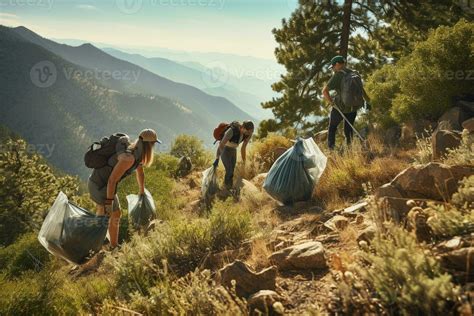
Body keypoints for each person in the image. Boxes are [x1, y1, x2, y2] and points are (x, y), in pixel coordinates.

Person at [87, 129, 161, 249]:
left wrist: (142, 191)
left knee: (104, 215)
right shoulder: (129, 158)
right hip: (100, 185)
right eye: (153, 144)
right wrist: (109, 202)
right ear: (149, 145)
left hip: (100, 183)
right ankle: (112, 246)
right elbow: (112, 180)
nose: (153, 147)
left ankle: (100, 244)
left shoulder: (136, 153)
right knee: (114, 213)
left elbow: (140, 173)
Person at [322, 55, 370, 150]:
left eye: (333, 67)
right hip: (353, 107)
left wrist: (331, 103)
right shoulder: (354, 73)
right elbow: (361, 89)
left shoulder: (338, 76)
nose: (333, 69)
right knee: (349, 130)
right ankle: (350, 149)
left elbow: (324, 91)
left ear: (337, 64)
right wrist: (367, 100)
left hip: (340, 107)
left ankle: (331, 150)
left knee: (332, 128)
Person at [214, 121, 254, 189]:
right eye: (248, 131)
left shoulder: (248, 134)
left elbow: (243, 148)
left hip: (233, 149)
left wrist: (244, 161)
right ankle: (226, 187)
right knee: (229, 169)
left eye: (251, 132)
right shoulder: (232, 131)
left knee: (232, 170)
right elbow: (221, 145)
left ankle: (229, 187)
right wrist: (217, 158)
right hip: (225, 149)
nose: (249, 134)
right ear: (243, 127)